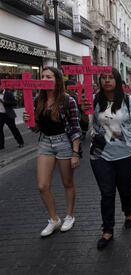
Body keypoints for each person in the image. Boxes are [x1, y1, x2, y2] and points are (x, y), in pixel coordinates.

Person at [88, 68, 131, 250]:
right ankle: (107, 230)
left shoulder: (128, 100)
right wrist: (84, 112)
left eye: (110, 77)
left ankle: (129, 213)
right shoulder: (95, 100)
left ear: (117, 80)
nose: (107, 81)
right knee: (107, 192)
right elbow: (85, 126)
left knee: (124, 187)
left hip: (126, 153)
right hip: (100, 154)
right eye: (103, 78)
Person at [23, 67, 81, 237]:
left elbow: (76, 127)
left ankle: (70, 215)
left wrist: (75, 152)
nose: (45, 78)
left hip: (64, 142)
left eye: (49, 76)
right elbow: (36, 129)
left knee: (67, 183)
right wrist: (30, 121)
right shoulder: (38, 100)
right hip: (45, 142)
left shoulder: (67, 100)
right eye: (42, 76)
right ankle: (54, 219)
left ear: (57, 80)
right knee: (42, 185)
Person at [0, 81, 24, 149]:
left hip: (8, 115)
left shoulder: (9, 94)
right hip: (0, 115)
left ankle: (20, 142)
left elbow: (14, 103)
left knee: (13, 129)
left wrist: (4, 102)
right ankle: (1, 145)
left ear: (2, 86)